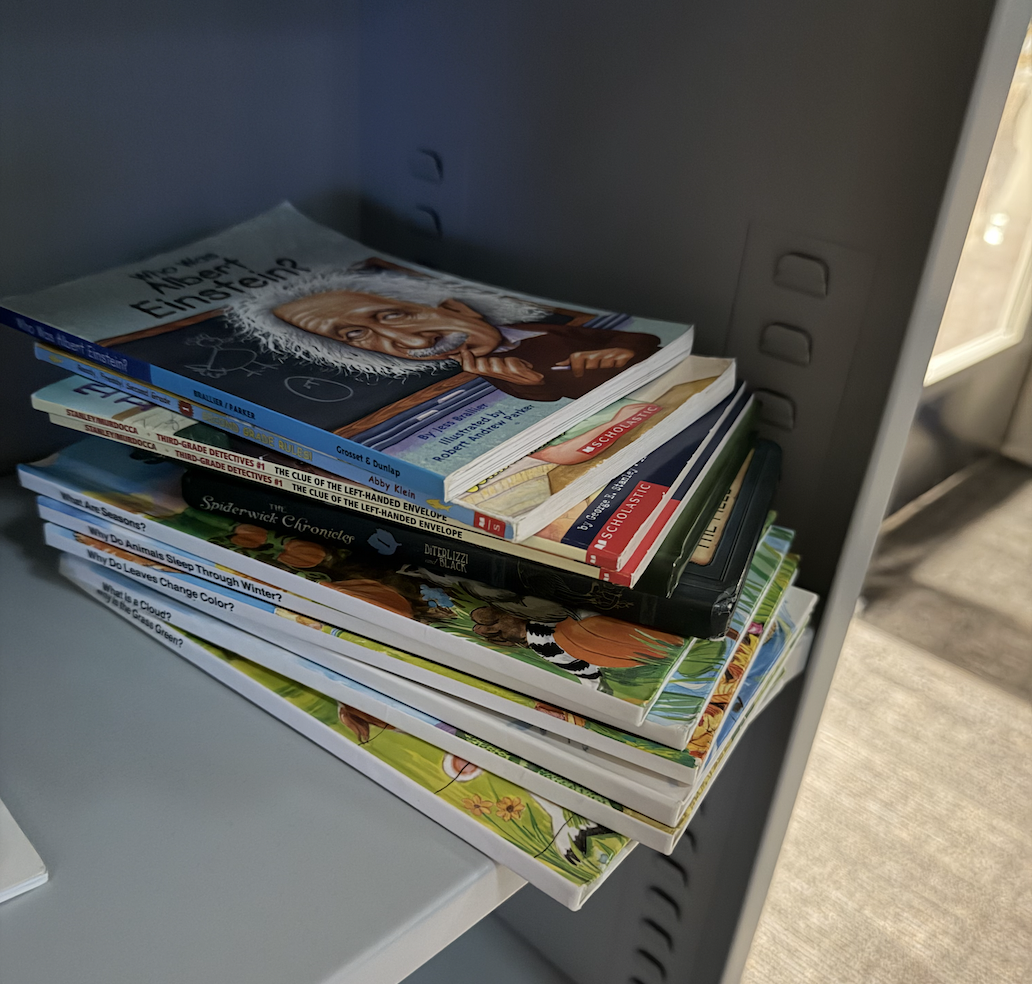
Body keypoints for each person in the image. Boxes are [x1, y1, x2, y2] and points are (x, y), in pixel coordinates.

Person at [271, 288, 659, 401]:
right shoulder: (483, 375)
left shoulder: (532, 327)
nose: (413, 341)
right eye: (356, 335)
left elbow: (639, 338)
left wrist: (627, 351)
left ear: (457, 308)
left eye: (394, 315)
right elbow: (548, 397)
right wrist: (536, 385)